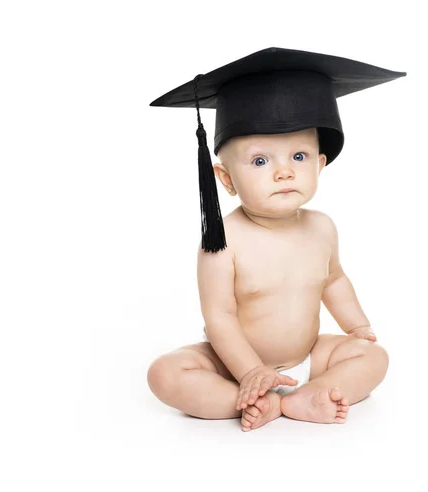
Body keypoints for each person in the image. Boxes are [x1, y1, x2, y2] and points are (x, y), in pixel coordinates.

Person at [146, 47, 405, 431]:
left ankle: (310, 394)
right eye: (261, 161)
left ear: (320, 164)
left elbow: (334, 280)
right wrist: (251, 371)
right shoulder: (222, 240)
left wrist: (357, 327)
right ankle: (253, 399)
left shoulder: (322, 228)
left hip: (309, 355)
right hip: (235, 363)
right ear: (227, 179)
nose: (284, 172)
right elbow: (219, 317)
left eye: (299, 157)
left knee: (373, 357)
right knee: (165, 373)